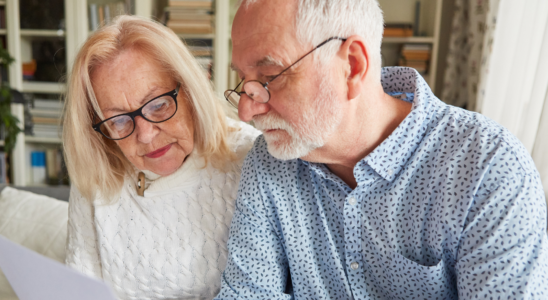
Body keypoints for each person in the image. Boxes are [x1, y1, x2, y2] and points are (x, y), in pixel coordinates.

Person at [216, 0, 548, 299]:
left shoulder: (489, 169)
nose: (246, 112)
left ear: (353, 66)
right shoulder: (269, 161)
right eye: (244, 82)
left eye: (270, 77)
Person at [62, 15, 260, 299]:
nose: (144, 134)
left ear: (190, 90)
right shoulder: (98, 174)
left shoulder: (250, 159)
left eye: (158, 104)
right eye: (118, 120)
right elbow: (78, 289)